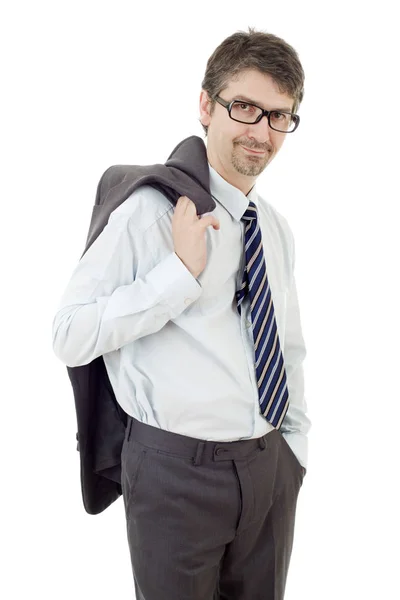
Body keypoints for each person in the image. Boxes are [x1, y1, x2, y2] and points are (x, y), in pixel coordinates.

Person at [52, 26, 311, 600]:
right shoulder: (152, 210)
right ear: (205, 105)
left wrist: (293, 450)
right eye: (244, 107)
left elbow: (288, 345)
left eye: (278, 116)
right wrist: (177, 277)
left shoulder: (274, 226)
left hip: (269, 470)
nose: (260, 131)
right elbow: (69, 335)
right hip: (176, 478)